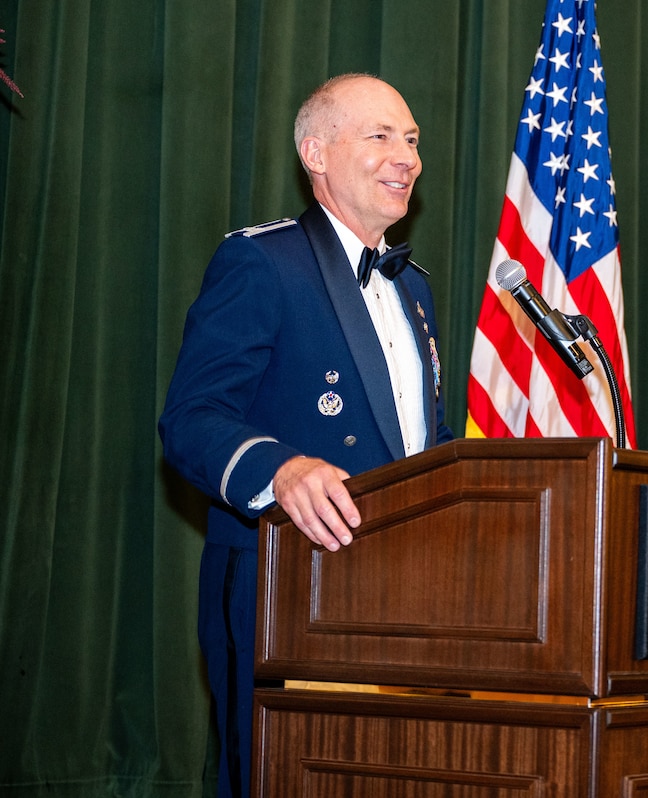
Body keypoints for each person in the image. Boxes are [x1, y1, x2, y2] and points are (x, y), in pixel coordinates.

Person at [159, 73, 455, 798]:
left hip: (410, 596)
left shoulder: (414, 287)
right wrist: (281, 469)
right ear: (316, 153)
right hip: (286, 586)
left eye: (412, 139)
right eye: (381, 136)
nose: (406, 157)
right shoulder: (261, 262)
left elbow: (428, 442)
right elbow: (191, 418)